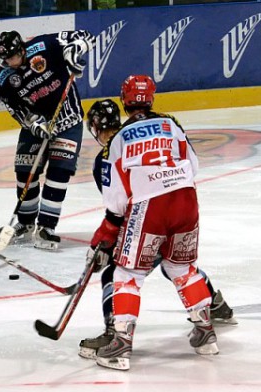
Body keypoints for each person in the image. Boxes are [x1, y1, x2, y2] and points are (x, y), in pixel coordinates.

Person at [78, 98, 237, 360]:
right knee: (180, 267)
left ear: (95, 128)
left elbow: (119, 206)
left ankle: (117, 338)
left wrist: (104, 241)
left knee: (121, 273)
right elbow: (191, 165)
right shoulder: (167, 123)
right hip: (185, 203)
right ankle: (210, 318)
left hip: (149, 215)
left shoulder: (108, 152)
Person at [0, 29, 94, 250]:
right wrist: (33, 123)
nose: (9, 63)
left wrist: (74, 51)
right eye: (5, 59)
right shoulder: (3, 80)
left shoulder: (45, 45)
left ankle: (47, 227)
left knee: (59, 173)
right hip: (36, 125)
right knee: (24, 172)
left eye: (12, 56)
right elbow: (16, 110)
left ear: (22, 49)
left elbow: (87, 36)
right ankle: (26, 222)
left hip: (67, 119)